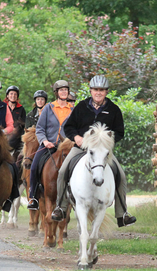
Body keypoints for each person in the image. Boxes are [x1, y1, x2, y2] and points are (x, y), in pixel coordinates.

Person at [50, 75, 137, 227]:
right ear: (91, 91)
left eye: (102, 90)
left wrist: (108, 142)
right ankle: (61, 208)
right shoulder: (81, 107)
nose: (98, 93)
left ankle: (122, 213)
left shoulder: (114, 110)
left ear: (106, 92)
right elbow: (68, 127)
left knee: (121, 175)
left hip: (102, 152)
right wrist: (76, 138)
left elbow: (120, 132)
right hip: (81, 148)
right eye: (96, 90)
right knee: (63, 171)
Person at [26, 80, 74, 211]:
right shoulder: (48, 108)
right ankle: (33, 197)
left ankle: (77, 196)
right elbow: (40, 128)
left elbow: (76, 129)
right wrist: (45, 141)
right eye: (61, 90)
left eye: (65, 90)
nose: (64, 92)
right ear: (57, 92)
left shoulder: (73, 110)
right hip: (49, 145)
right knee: (35, 166)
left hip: (66, 147)